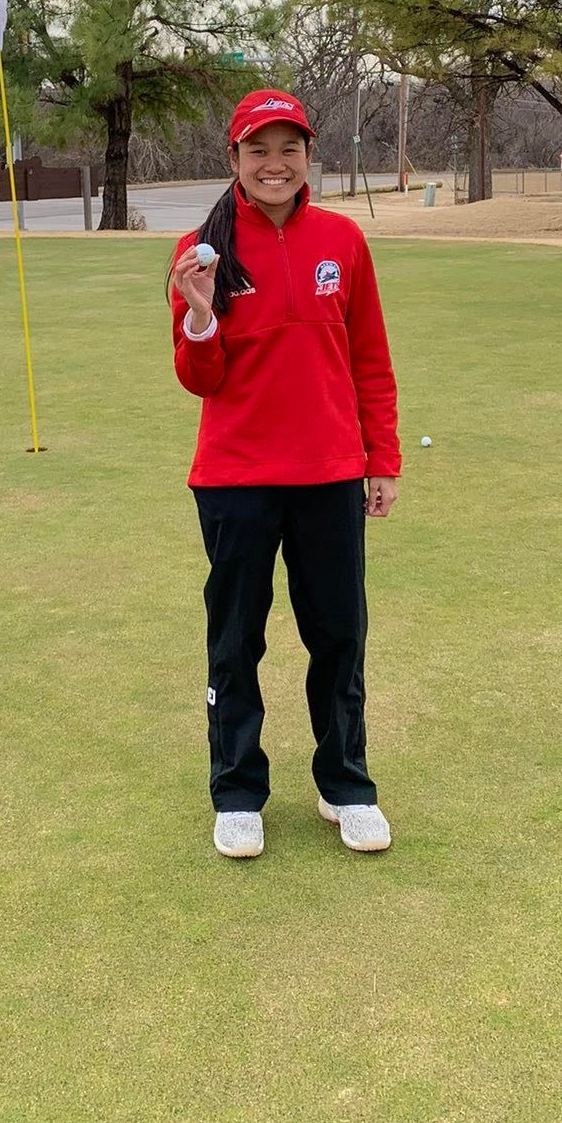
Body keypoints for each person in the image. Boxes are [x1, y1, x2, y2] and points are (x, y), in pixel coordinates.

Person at [168, 89, 401, 861]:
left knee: (339, 635)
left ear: (308, 157)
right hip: (236, 477)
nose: (275, 164)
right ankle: (237, 791)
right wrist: (201, 313)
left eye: (289, 149)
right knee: (236, 640)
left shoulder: (343, 240)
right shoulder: (201, 250)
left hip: (331, 472)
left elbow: (369, 358)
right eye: (258, 150)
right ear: (232, 159)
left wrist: (383, 459)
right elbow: (198, 378)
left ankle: (346, 785)